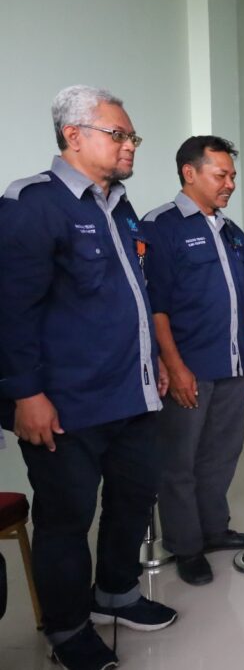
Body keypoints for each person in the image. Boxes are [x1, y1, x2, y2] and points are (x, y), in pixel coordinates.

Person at [0, 85, 176, 669]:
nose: (130, 145)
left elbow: (129, 297)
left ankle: (117, 593)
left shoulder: (121, 206)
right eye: (118, 134)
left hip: (131, 395)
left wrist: (155, 367)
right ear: (73, 136)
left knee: (131, 502)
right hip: (65, 404)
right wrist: (26, 393)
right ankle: (68, 629)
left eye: (132, 136)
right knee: (66, 519)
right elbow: (10, 308)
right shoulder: (32, 203)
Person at [141, 136, 244, 587]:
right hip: (188, 367)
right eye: (221, 175)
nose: (230, 183)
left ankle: (214, 529)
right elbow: (156, 305)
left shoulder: (232, 233)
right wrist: (174, 365)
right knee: (180, 462)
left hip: (230, 366)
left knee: (222, 455)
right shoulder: (160, 226)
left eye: (232, 175)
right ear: (190, 173)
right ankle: (185, 545)